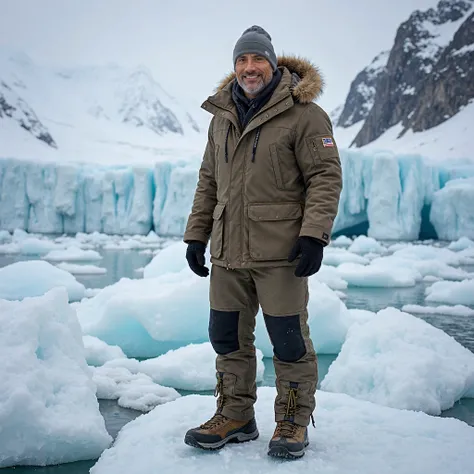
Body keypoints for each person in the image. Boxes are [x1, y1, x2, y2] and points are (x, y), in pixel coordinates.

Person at [182, 25, 342, 459]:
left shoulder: (305, 114)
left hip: (282, 254)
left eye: (257, 60)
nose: (249, 68)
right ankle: (236, 415)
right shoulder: (221, 118)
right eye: (242, 61)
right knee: (227, 338)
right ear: (234, 67)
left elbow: (325, 177)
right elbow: (208, 181)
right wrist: (197, 234)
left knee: (289, 341)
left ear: (273, 65)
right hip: (228, 253)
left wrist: (314, 235)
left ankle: (291, 422)